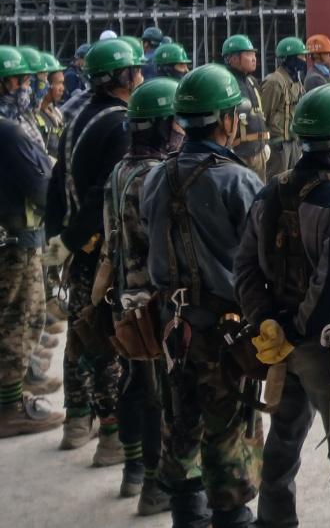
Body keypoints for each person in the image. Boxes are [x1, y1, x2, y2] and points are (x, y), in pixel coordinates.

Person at [236, 84, 330, 528]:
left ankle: (273, 522)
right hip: (328, 348)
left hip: (279, 344)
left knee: (283, 441)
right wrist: (299, 327)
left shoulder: (269, 192)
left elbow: (244, 267)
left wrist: (267, 322)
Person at [142, 64, 263, 528]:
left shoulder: (155, 177)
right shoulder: (237, 180)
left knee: (181, 422)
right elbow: (261, 260)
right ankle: (231, 517)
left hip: (173, 329)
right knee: (228, 430)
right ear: (226, 120)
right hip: (224, 331)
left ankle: (187, 517)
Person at [104, 77, 182, 515]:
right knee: (162, 396)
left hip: (125, 297)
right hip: (154, 303)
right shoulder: (156, 175)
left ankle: (134, 470)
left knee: (137, 383)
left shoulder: (121, 170)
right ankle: (155, 485)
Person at [58, 36, 136, 461]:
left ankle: (76, 420)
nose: (139, 77)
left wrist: (62, 236)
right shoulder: (120, 124)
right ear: (122, 77)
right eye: (135, 71)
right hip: (101, 250)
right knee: (107, 337)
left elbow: (59, 179)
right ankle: (112, 435)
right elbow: (102, 193)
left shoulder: (79, 113)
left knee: (80, 330)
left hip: (79, 244)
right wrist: (75, 237)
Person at [0, 113, 64, 438]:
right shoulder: (9, 132)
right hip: (13, 245)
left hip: (12, 240)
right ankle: (9, 407)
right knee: (19, 320)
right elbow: (41, 186)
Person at [222, 34, 271, 180]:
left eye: (254, 54)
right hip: (240, 154)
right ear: (233, 59)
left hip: (258, 150)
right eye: (248, 54)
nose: (254, 58)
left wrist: (265, 143)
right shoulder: (226, 83)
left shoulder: (251, 81)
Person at [260, 38, 307, 177]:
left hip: (293, 143)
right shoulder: (274, 82)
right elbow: (263, 115)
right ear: (290, 59)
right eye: (301, 56)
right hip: (278, 145)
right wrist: (264, 144)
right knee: (277, 182)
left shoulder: (296, 81)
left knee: (293, 181)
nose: (304, 60)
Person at [31, 53, 66, 160]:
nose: (62, 88)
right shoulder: (31, 118)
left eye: (63, 83)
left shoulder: (57, 113)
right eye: (59, 83)